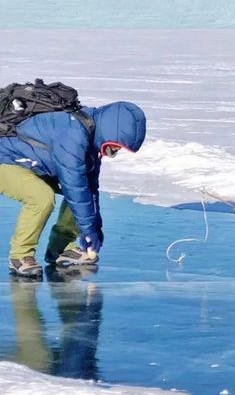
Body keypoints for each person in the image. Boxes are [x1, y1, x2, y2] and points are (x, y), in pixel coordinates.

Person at [0, 101, 146, 278]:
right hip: (6, 160)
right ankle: (20, 256)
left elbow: (89, 189)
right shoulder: (73, 135)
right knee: (41, 197)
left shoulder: (90, 138)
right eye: (116, 145)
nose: (115, 151)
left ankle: (60, 247)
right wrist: (87, 230)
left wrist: (95, 228)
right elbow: (74, 184)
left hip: (33, 163)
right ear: (109, 131)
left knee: (80, 192)